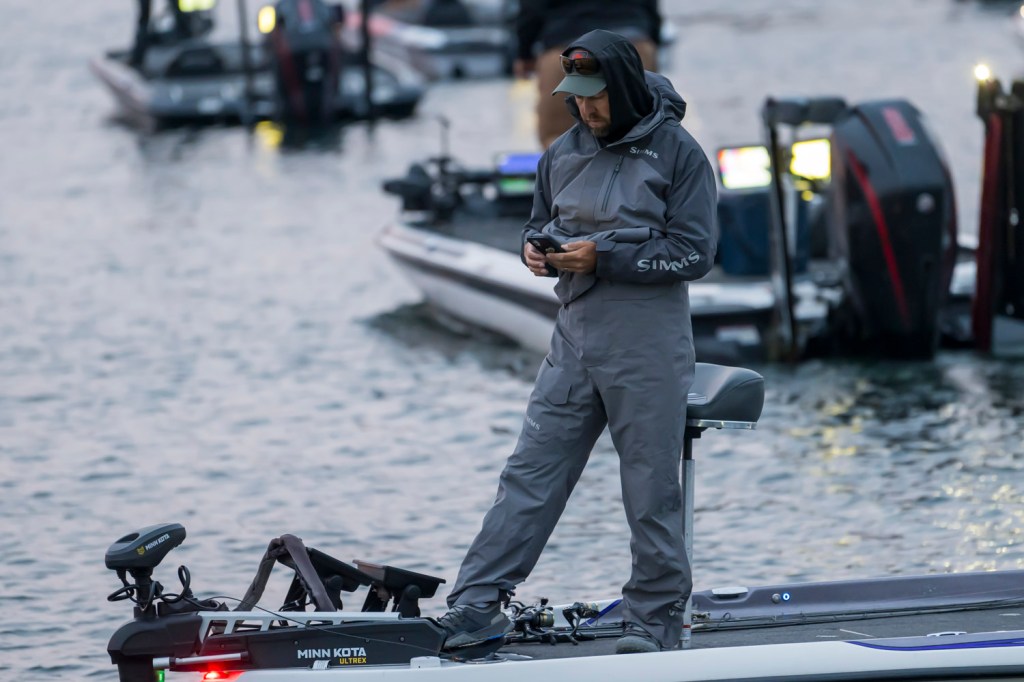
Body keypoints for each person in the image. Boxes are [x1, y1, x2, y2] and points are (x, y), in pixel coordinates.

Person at [436, 29, 717, 655]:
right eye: (577, 97)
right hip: (573, 339)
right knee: (529, 475)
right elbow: (538, 221)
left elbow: (695, 253)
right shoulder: (562, 152)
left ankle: (652, 623)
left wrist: (604, 257)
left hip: (647, 346)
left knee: (649, 492)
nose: (584, 108)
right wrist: (533, 250)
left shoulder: (680, 154)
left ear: (623, 89)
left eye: (595, 97)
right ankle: (475, 605)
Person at [514, 0, 662, 149]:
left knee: (557, 139)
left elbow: (531, 8)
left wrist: (524, 53)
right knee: (644, 132)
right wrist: (653, 41)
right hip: (632, 42)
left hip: (566, 45)